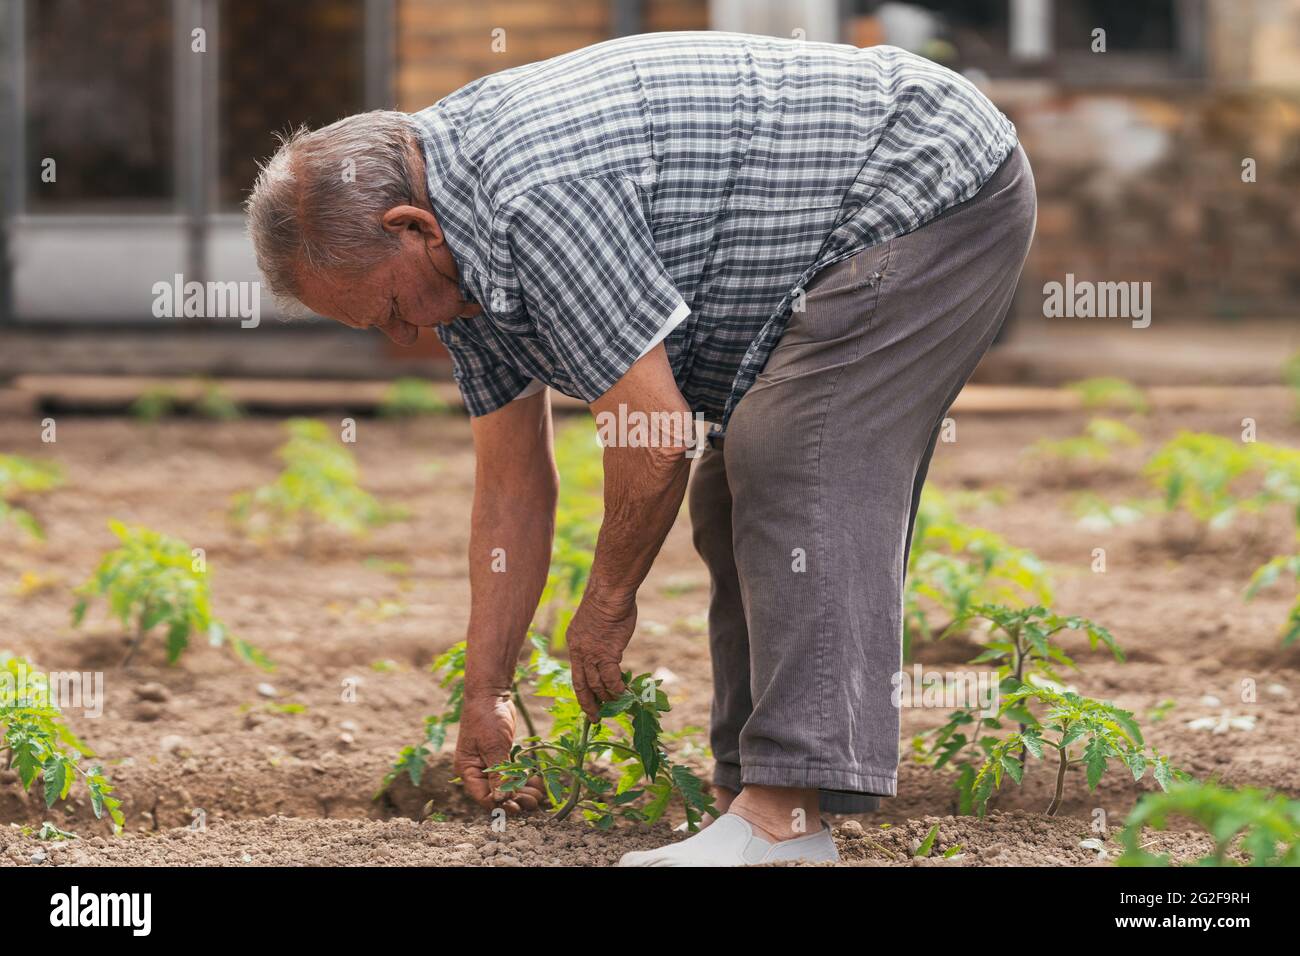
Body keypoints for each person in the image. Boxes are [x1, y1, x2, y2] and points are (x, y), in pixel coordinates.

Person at [245, 31, 1036, 866]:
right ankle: (752, 805)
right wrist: (488, 691)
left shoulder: (531, 196)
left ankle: (784, 825)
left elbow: (656, 438)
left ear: (411, 228)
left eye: (393, 309)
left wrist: (605, 604)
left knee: (788, 453)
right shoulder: (456, 261)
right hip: (838, 223)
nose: (405, 336)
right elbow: (512, 485)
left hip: (930, 183)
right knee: (738, 482)